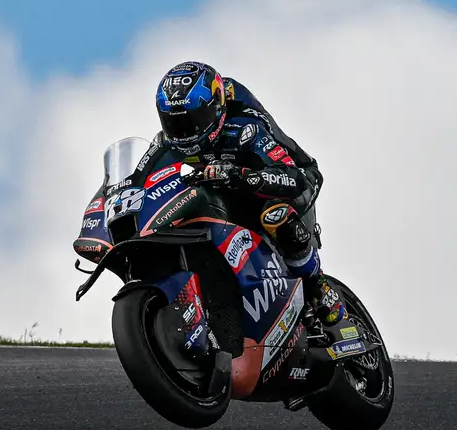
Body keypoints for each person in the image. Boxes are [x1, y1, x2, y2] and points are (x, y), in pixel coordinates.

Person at [137, 60, 349, 334]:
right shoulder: (165, 141)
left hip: (288, 178)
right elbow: (139, 180)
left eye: (193, 120)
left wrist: (240, 176)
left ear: (215, 107)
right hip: (227, 189)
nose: (185, 132)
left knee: (276, 217)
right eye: (174, 123)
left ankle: (317, 286)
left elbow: (293, 178)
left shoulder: (245, 128)